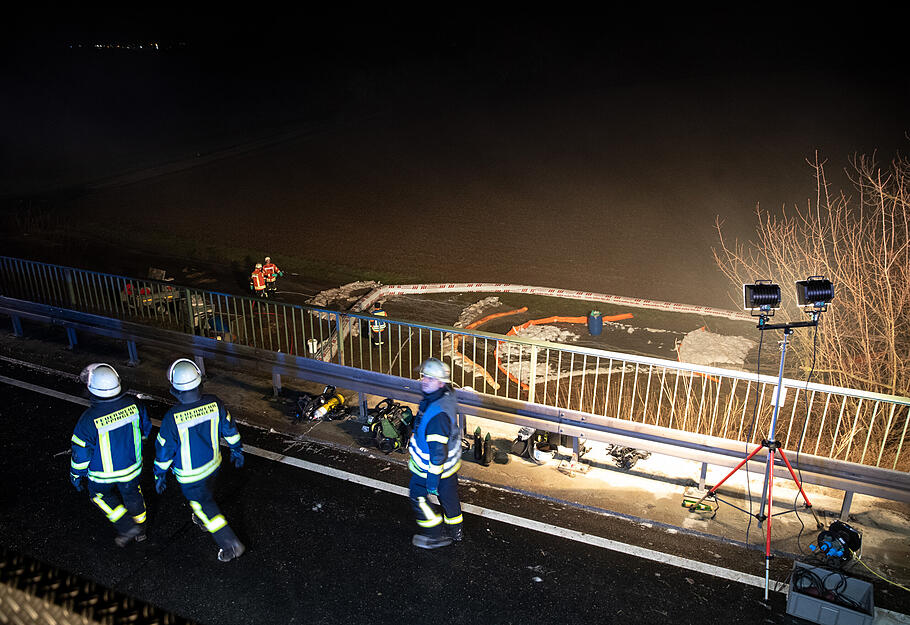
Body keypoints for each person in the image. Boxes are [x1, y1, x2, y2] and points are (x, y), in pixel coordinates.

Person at [154, 358, 246, 562]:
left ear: (175, 387)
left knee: (204, 505)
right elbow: (230, 429)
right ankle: (203, 517)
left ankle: (231, 544)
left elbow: (164, 450)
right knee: (207, 494)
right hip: (214, 465)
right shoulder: (214, 402)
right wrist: (237, 450)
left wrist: (159, 473)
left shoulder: (172, 417)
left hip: (190, 476)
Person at [70, 363, 152, 546]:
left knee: (99, 496)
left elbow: (81, 454)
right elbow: (145, 428)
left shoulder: (88, 419)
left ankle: (126, 526)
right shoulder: (134, 403)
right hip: (132, 467)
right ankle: (142, 531)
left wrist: (76, 475)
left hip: (103, 476)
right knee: (133, 495)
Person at [407, 357, 463, 549]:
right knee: (449, 499)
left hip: (430, 470)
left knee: (418, 496)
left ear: (441, 383)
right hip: (449, 468)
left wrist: (432, 482)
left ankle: (433, 534)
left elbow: (437, 454)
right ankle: (456, 532)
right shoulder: (446, 396)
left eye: (430, 379)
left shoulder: (437, 416)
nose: (424, 380)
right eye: (424, 376)